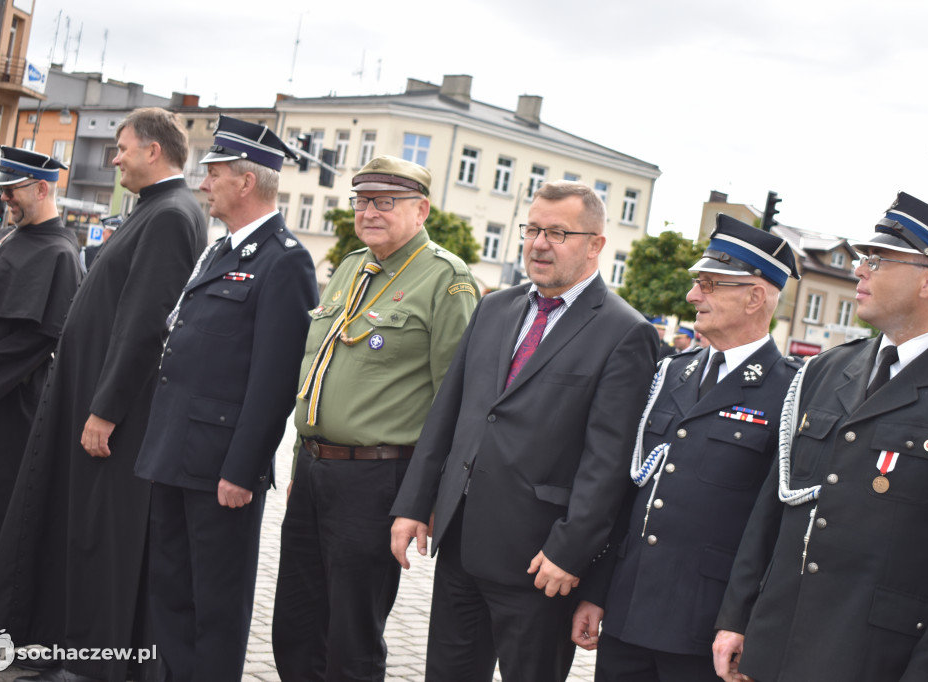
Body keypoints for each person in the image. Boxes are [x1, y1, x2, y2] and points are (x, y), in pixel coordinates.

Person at [391, 180, 660, 682]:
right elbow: (449, 414)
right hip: (463, 544)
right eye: (533, 228)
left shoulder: (625, 332)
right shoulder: (495, 308)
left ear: (595, 244)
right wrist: (413, 504)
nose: (539, 243)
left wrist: (570, 551)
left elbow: (608, 462)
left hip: (541, 563)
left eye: (558, 233)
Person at [0, 107, 206, 682]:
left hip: (113, 411)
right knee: (74, 526)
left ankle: (92, 661)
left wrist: (106, 408)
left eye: (123, 147)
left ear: (153, 150)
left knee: (101, 536)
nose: (116, 157)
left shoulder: (173, 214)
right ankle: (59, 643)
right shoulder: (151, 210)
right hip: (85, 394)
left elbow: (145, 323)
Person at [713, 192, 928, 682]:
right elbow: (773, 509)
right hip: (777, 644)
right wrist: (737, 618)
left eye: (878, 260)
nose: (861, 270)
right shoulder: (829, 369)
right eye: (862, 258)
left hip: (873, 660)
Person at [271, 155, 478, 682]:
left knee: (351, 638)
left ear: (421, 209)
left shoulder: (446, 280)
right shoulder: (349, 267)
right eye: (363, 200)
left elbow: (454, 400)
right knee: (295, 625)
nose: (370, 211)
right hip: (317, 472)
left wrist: (423, 498)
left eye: (386, 202)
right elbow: (316, 373)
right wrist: (300, 467)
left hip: (378, 478)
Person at [570, 215, 801, 681]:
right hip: (628, 610)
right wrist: (597, 590)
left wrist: (741, 622)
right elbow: (631, 491)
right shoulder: (673, 371)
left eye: (710, 285)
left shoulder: (791, 392)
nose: (694, 296)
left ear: (756, 296)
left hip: (706, 626)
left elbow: (776, 528)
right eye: (698, 283)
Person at [133, 115, 318, 682]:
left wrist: (242, 469)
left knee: (215, 605)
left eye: (212, 173)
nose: (203, 183)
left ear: (245, 181)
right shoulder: (218, 252)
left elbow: (274, 381)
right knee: (171, 594)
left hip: (220, 469)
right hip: (174, 452)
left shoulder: (285, 261)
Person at [0, 148, 81, 635]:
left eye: (13, 190)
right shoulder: (8, 234)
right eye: (3, 189)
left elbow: (47, 334)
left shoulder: (60, 252)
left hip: (0, 397)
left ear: (42, 188)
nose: (4, 197)